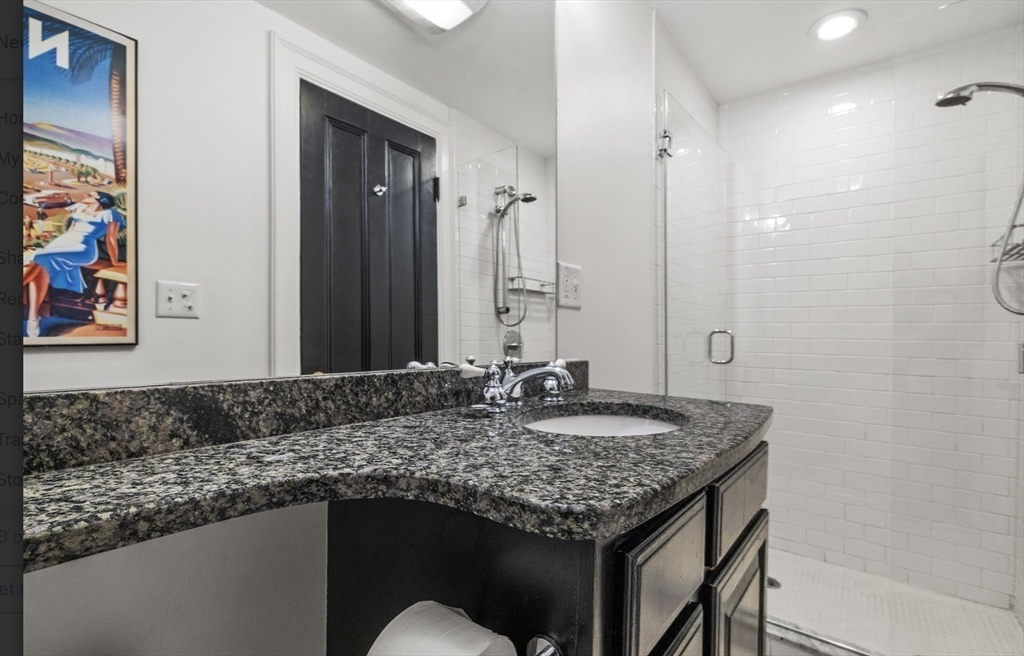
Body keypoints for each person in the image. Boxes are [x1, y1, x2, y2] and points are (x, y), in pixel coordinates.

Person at [22, 191, 125, 338]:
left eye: (89, 195)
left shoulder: (110, 214)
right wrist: (51, 242)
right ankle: (33, 317)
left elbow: (111, 239)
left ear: (99, 199)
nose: (84, 196)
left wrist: (114, 261)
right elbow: (70, 230)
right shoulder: (79, 208)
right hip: (63, 244)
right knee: (40, 265)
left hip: (82, 248)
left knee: (36, 256)